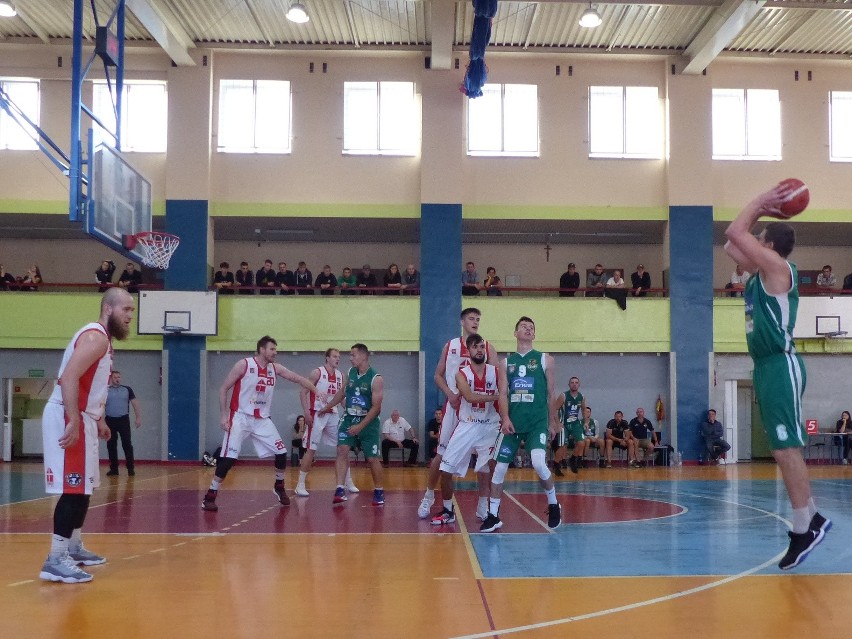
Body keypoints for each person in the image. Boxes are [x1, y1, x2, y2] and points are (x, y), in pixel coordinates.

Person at [723, 182, 831, 570]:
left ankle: (806, 525)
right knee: (782, 448)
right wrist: (762, 216)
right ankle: (812, 517)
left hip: (780, 363)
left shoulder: (778, 268)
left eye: (760, 237)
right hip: (766, 365)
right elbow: (731, 245)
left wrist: (761, 202)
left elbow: (735, 233)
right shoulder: (760, 272)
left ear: (769, 244)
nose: (753, 239)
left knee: (786, 448)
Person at [39, 288, 135, 584]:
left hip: (86, 418)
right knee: (73, 490)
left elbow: (92, 385)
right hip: (69, 415)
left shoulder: (104, 342)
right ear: (108, 309)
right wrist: (75, 419)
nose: (130, 316)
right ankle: (55, 559)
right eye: (126, 310)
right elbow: (68, 377)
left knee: (84, 489)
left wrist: (99, 419)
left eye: (132, 311)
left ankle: (73, 547)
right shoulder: (96, 337)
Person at [202, 336, 320, 512]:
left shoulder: (275, 368)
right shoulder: (244, 365)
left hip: (262, 420)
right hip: (240, 418)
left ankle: (279, 486)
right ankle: (209, 496)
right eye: (272, 349)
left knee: (281, 452)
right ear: (262, 350)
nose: (275, 352)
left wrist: (316, 390)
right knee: (228, 460)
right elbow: (223, 389)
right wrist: (223, 416)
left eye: (276, 349)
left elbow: (296, 378)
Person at [481, 316, 562, 532]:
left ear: (534, 335)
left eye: (531, 328)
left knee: (537, 462)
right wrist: (505, 418)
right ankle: (493, 515)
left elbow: (550, 393)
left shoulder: (546, 359)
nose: (528, 329)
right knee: (499, 468)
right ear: (515, 333)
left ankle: (553, 504)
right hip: (513, 423)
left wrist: (553, 422)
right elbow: (503, 394)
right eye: (524, 327)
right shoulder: (505, 364)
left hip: (537, 422)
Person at [418, 307, 497, 521]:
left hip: (480, 411)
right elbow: (437, 375)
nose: (475, 322)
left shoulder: (486, 347)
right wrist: (450, 394)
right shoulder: (451, 345)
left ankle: (483, 505)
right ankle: (428, 496)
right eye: (471, 318)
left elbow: (498, 378)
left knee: (484, 460)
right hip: (454, 406)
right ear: (462, 322)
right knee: (441, 456)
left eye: (478, 319)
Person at [431, 334, 501, 525]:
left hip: (490, 425)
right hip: (468, 423)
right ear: (468, 351)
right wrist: (496, 396)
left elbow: (506, 395)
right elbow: (470, 397)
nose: (479, 350)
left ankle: (484, 507)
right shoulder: (461, 374)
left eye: (482, 347)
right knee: (445, 468)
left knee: (490, 467)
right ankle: (447, 509)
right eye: (475, 347)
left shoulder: (496, 372)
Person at [322, 343, 386, 506]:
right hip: (349, 416)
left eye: (353, 355)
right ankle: (339, 489)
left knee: (372, 458)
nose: (350, 358)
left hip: (368, 421)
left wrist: (360, 427)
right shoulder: (350, 372)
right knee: (342, 450)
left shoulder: (376, 378)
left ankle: (379, 490)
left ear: (364, 356)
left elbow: (376, 408)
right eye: (350, 355)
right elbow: (343, 392)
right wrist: (328, 406)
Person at [294, 349, 358, 497]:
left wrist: (352, 410)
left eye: (339, 357)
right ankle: (300, 484)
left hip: (333, 415)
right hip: (316, 413)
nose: (338, 359)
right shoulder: (317, 373)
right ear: (327, 358)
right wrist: (306, 412)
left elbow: (341, 399)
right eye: (335, 356)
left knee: (343, 447)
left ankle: (348, 481)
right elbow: (303, 392)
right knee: (311, 449)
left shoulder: (341, 376)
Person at [104, 371, 142, 476]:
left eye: (119, 377)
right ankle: (114, 469)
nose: (117, 379)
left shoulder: (127, 389)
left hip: (123, 420)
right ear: (111, 378)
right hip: (110, 420)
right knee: (111, 445)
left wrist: (138, 417)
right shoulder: (106, 390)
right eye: (115, 377)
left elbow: (135, 403)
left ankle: (130, 468)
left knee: (127, 444)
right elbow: (100, 405)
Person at [553, 376, 586, 475]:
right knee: (563, 446)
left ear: (579, 385)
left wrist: (586, 422)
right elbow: (554, 409)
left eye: (576, 382)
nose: (574, 384)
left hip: (575, 423)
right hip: (564, 424)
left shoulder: (582, 397)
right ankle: (556, 465)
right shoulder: (563, 395)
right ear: (569, 384)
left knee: (581, 443)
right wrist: (557, 423)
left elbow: (584, 409)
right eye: (572, 382)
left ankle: (572, 459)